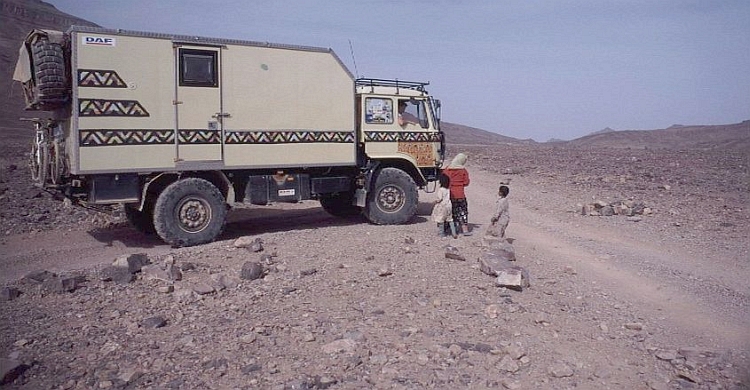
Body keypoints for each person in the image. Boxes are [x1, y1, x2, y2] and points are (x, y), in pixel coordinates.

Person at [442, 153, 471, 235]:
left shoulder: (447, 169)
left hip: (450, 194)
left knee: (450, 212)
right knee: (463, 211)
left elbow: (443, 180)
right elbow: (466, 182)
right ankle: (465, 230)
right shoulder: (463, 170)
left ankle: (449, 229)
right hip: (460, 194)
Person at [431, 174, 458, 239]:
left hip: (442, 206)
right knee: (450, 220)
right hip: (449, 205)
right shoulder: (448, 190)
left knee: (441, 220)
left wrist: (435, 202)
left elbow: (439, 199)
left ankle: (442, 234)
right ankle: (454, 233)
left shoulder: (441, 190)